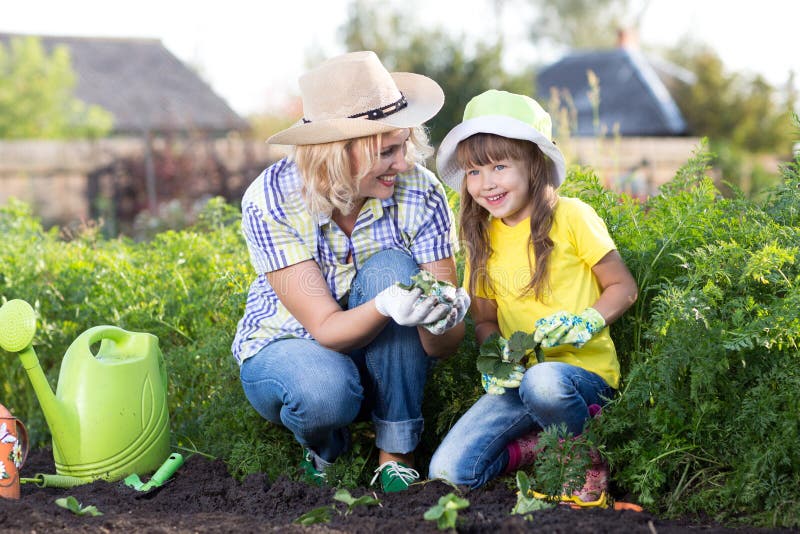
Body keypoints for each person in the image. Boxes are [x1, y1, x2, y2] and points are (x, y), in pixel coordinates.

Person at [231, 51, 468, 493]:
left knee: (393, 269)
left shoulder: (421, 193)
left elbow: (443, 347)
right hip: (288, 347)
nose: (403, 163)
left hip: (381, 356)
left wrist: (443, 315)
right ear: (337, 156)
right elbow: (323, 328)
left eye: (405, 145)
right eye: (387, 152)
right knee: (323, 393)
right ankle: (325, 446)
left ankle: (396, 455)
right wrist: (386, 305)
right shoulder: (271, 200)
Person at [427, 90, 638, 504]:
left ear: (534, 165)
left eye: (500, 166)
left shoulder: (572, 216)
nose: (486, 183)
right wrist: (494, 355)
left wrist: (586, 322)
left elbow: (623, 288)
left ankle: (585, 463)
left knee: (545, 382)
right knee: (448, 473)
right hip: (520, 381)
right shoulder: (482, 237)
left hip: (581, 381)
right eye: (473, 171)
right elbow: (485, 319)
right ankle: (541, 444)